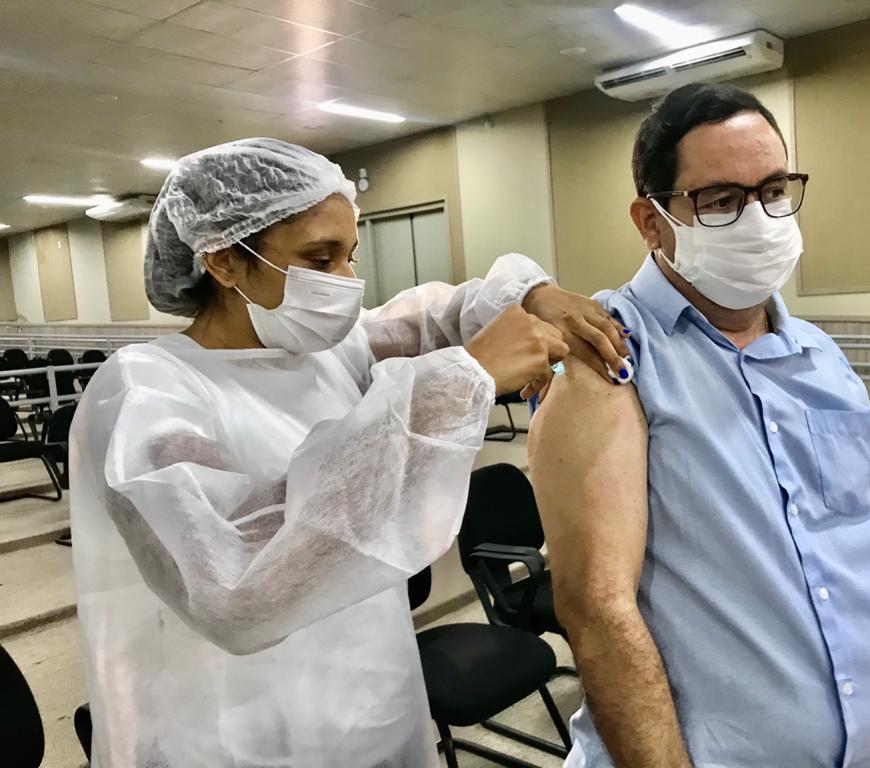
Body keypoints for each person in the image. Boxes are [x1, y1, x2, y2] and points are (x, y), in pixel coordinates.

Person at [70, 138, 633, 768]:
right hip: (239, 734)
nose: (345, 280)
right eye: (320, 258)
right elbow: (236, 587)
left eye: (350, 254)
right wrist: (460, 380)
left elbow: (444, 314)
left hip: (373, 700)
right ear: (224, 261)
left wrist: (532, 295)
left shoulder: (329, 352)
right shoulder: (147, 392)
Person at [528, 84, 870, 768]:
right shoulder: (608, 356)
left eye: (774, 190)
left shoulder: (821, 357)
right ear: (651, 221)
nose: (759, 219)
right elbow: (597, 611)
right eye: (722, 200)